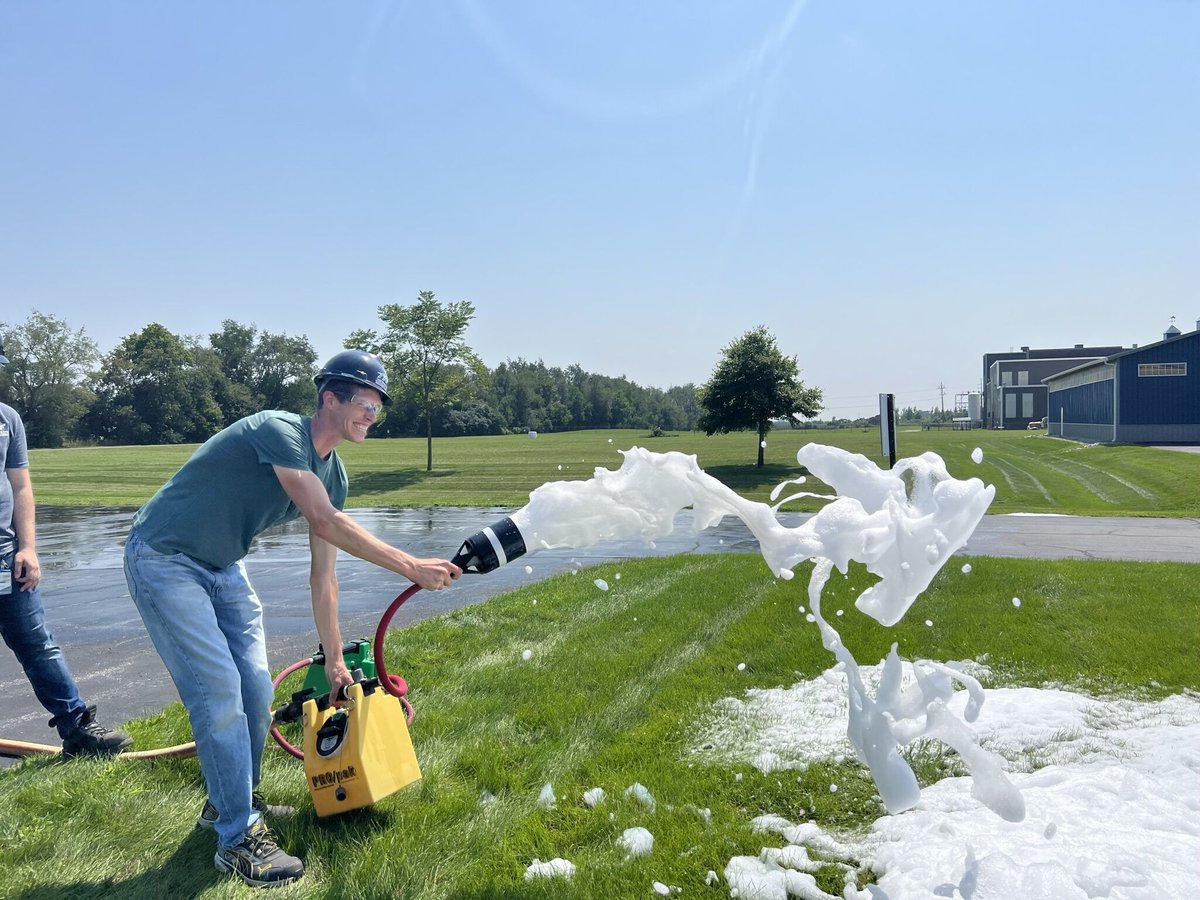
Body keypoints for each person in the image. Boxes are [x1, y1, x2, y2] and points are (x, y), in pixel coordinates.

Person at [123, 349, 461, 889]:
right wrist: (410, 565)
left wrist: (332, 660)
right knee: (220, 692)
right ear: (330, 398)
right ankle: (237, 840)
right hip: (163, 557)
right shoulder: (279, 431)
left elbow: (323, 576)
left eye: (377, 407)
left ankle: (231, 806)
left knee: (256, 689)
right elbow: (323, 520)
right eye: (363, 403)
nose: (371, 415)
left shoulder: (336, 474)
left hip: (221, 567)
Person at [0, 341, 132, 757]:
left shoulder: (7, 419)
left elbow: (21, 486)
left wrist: (29, 548)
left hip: (8, 558)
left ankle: (78, 732)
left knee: (39, 646)